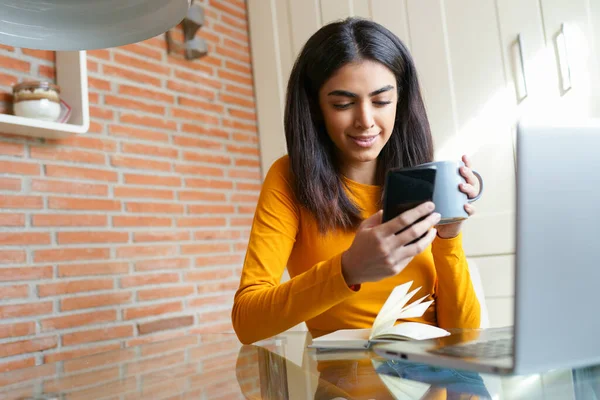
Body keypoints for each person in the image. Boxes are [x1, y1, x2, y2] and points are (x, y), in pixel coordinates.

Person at [232, 17, 482, 345]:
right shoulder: (290, 179)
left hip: (434, 384)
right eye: (343, 104)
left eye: (381, 101)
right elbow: (247, 323)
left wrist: (449, 237)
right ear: (316, 107)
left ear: (400, 102)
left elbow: (464, 337)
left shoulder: (425, 181)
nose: (365, 121)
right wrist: (348, 269)